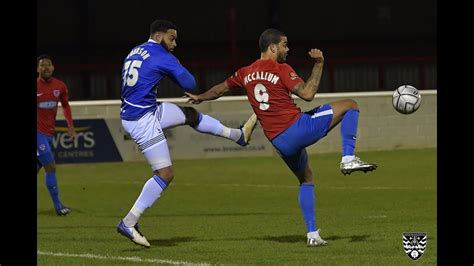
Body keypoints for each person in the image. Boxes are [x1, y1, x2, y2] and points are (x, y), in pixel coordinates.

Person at [185, 28, 378, 247]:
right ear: (272, 47)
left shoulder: (244, 72)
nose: (288, 49)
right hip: (296, 128)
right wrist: (319, 64)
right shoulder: (280, 68)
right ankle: (348, 158)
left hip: (278, 142)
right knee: (351, 106)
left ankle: (312, 234)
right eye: (285, 45)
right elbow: (307, 94)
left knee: (306, 179)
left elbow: (220, 89)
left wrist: (200, 97)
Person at [116, 19, 257, 247]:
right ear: (159, 36)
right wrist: (175, 65)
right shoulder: (162, 56)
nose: (174, 43)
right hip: (142, 119)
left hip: (143, 110)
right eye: (172, 39)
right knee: (165, 174)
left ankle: (237, 136)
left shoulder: (136, 50)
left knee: (190, 115)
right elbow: (190, 83)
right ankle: (129, 222)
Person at [37, 54, 76, 216]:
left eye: (49, 65)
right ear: (38, 68)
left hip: (49, 133)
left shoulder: (60, 86)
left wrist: (70, 126)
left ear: (52, 67)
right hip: (37, 134)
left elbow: (66, 106)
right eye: (42, 65)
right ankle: (58, 206)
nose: (46, 68)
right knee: (50, 167)